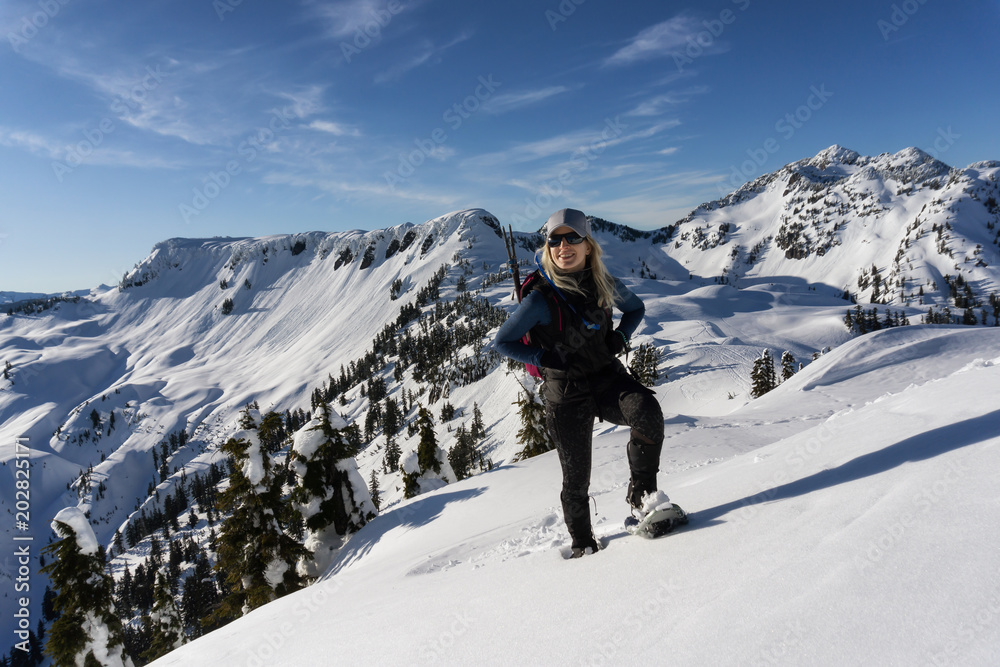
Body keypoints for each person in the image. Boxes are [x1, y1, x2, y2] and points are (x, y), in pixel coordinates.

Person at [494, 208, 681, 558]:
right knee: (576, 480)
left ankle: (643, 499)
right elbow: (502, 341)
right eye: (555, 239)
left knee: (647, 412)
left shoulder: (603, 283)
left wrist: (620, 338)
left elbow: (635, 309)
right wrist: (543, 358)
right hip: (566, 393)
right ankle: (583, 543)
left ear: (588, 245)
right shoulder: (540, 299)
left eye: (573, 238)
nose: (564, 246)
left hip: (606, 379)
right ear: (548, 247)